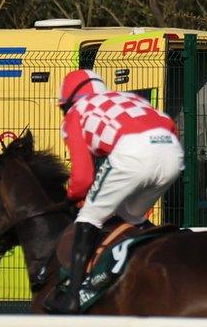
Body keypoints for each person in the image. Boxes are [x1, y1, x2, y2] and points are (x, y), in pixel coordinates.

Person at [43, 69, 184, 314]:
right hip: (172, 152)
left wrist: (71, 198)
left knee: (90, 217)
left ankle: (73, 296)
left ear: (69, 103)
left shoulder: (75, 114)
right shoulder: (131, 98)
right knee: (130, 219)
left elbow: (83, 178)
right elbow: (170, 126)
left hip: (133, 152)